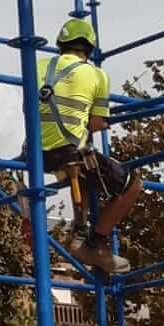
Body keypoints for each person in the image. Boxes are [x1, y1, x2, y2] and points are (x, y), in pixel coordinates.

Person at [36, 16, 142, 276]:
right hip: (69, 152)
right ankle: (95, 244)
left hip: (37, 153)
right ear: (89, 49)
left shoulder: (37, 65)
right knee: (132, 184)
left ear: (61, 44)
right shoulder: (97, 75)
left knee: (83, 173)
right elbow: (96, 123)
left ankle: (80, 233)